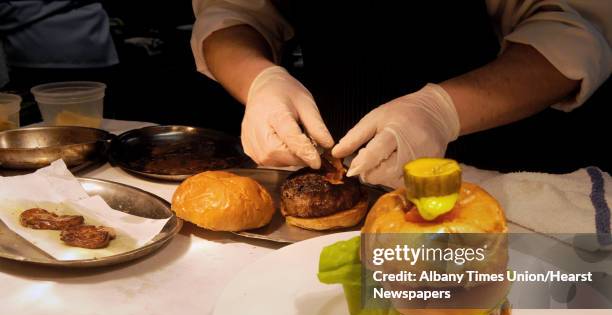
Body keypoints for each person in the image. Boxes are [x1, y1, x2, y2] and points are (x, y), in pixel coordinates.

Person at [192, 1, 612, 187]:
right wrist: (260, 80)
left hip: (494, 164)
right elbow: (231, 14)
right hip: (342, 158)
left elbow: (573, 32)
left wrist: (439, 111)